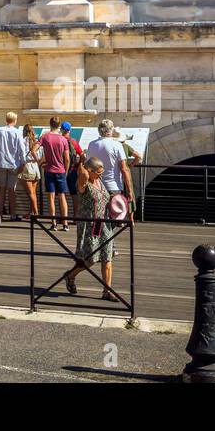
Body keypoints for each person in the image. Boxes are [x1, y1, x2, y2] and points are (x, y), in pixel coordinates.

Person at [62, 157, 120, 301]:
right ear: (89, 171)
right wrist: (82, 165)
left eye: (102, 173)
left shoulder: (99, 181)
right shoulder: (83, 184)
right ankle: (70, 276)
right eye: (98, 173)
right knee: (89, 260)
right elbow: (84, 176)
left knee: (107, 257)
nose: (101, 175)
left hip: (104, 224)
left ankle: (107, 291)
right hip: (90, 226)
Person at [86, 118, 135, 211]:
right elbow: (124, 169)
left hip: (95, 186)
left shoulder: (91, 145)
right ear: (111, 130)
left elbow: (87, 165)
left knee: (98, 217)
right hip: (113, 187)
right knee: (113, 217)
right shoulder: (117, 145)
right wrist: (129, 191)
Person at [0, 112, 27, 220]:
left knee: (1, 189)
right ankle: (12, 214)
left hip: (1, 162)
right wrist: (23, 162)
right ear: (15, 120)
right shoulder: (17, 132)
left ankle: (0, 214)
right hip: (13, 163)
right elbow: (21, 149)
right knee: (12, 189)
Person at [37, 117, 70, 229]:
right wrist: (66, 170)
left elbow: (33, 149)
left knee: (51, 197)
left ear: (50, 124)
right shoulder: (63, 139)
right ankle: (65, 223)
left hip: (49, 170)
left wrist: (39, 162)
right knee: (62, 196)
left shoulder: (45, 137)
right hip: (61, 170)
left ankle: (53, 223)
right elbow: (67, 158)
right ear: (59, 125)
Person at [60, 120, 85, 224]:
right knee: (74, 194)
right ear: (70, 130)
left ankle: (63, 217)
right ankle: (75, 216)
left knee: (62, 194)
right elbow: (83, 155)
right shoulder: (73, 142)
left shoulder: (60, 140)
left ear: (61, 130)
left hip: (61, 170)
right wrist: (78, 165)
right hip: (73, 170)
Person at [17, 123, 41, 218]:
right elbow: (39, 155)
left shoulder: (22, 141)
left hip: (27, 166)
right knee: (33, 192)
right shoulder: (36, 141)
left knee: (30, 193)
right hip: (35, 167)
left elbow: (21, 155)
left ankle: (36, 213)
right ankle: (32, 212)